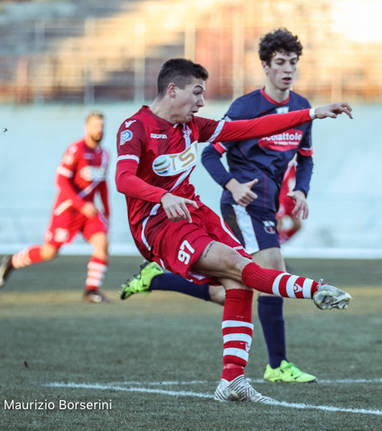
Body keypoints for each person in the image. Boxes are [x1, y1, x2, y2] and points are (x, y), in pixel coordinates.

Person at [114, 57, 352, 403]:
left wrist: (311, 114)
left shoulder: (192, 127)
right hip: (158, 225)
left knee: (238, 282)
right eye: (196, 93)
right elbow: (123, 180)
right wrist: (162, 196)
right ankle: (313, 290)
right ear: (172, 90)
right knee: (239, 266)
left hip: (195, 214)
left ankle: (233, 380)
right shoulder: (135, 128)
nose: (201, 102)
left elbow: (251, 128)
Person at [0, 111, 111, 304]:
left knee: (102, 243)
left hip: (88, 212)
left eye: (101, 126)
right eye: (95, 126)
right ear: (86, 128)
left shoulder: (105, 155)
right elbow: (61, 180)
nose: (99, 130)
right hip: (68, 210)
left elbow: (102, 185)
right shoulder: (76, 150)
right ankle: (11, 262)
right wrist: (80, 204)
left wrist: (107, 213)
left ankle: (91, 290)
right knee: (49, 252)